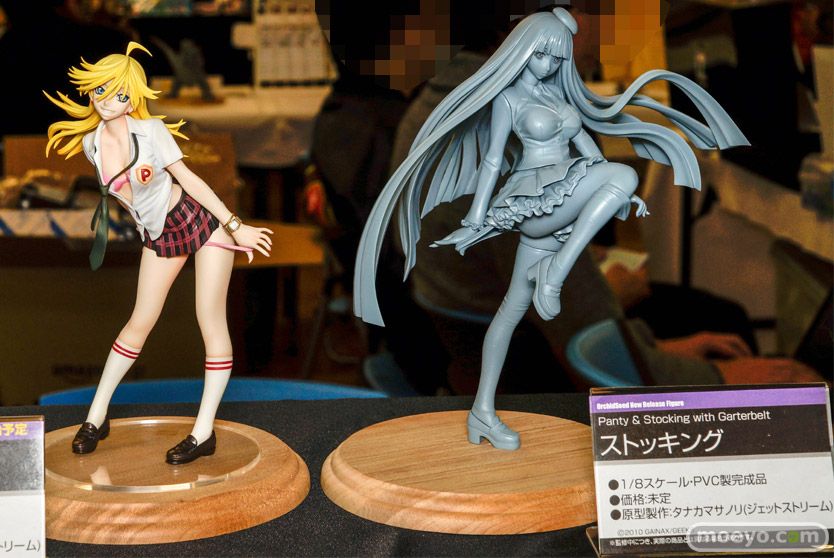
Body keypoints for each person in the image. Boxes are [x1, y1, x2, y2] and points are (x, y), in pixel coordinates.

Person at [354, 8, 750, 451]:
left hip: (493, 333)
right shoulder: (495, 105)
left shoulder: (439, 100)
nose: (608, 37)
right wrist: (722, 378)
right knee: (737, 337)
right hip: (539, 368)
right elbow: (590, 349)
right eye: (599, 13)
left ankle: (560, 272)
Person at [44, 42, 273, 464]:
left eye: (120, 93)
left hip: (200, 222)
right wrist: (142, 225)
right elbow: (127, 199)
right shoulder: (92, 144)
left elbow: (191, 180)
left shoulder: (150, 133)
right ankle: (96, 416)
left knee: (210, 319)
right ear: (90, 91)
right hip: (159, 235)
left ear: (132, 98)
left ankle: (203, 431)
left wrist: (234, 225)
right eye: (101, 90)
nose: (109, 100)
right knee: (139, 321)